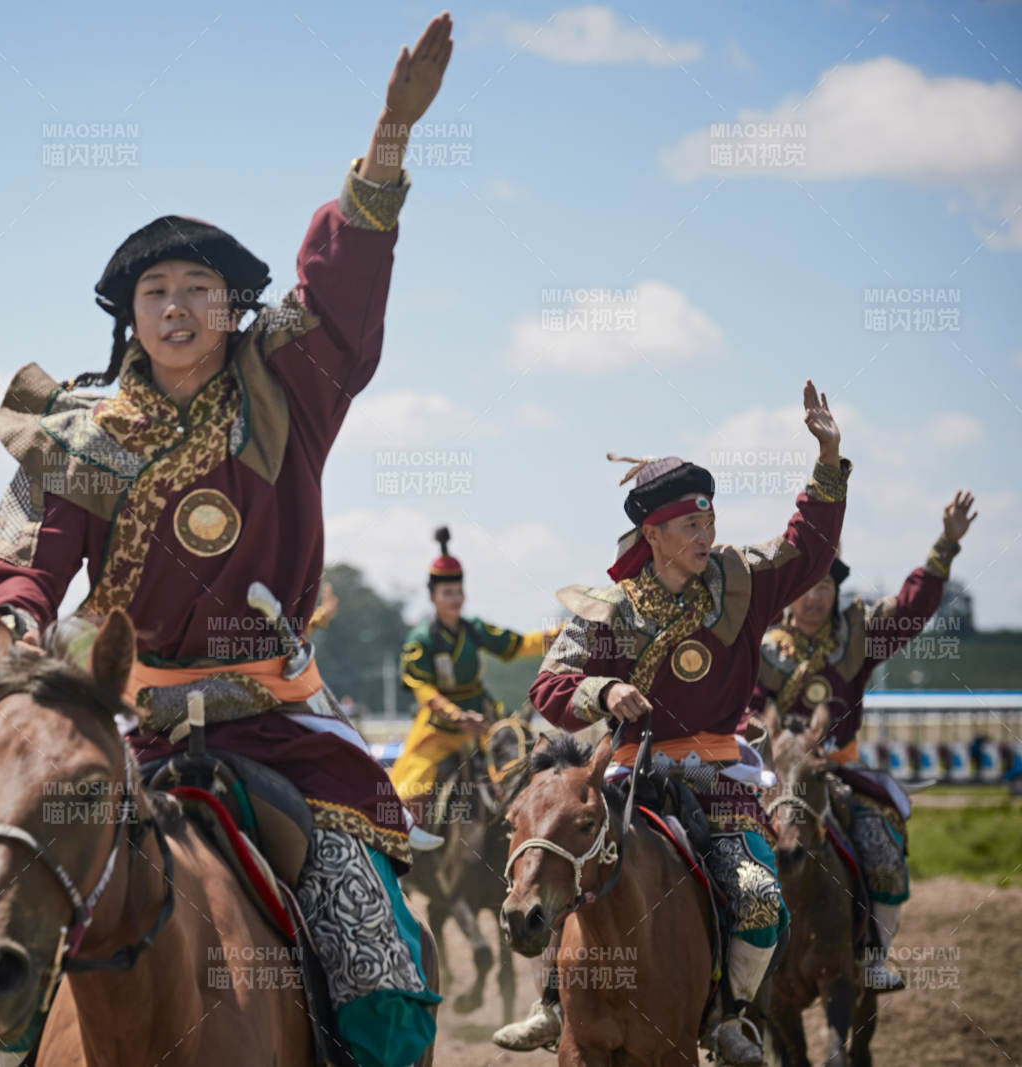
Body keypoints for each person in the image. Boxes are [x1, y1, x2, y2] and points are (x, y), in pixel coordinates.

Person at [0, 15, 455, 1065]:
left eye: (198, 290)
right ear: (129, 316)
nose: (176, 307)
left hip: (280, 732)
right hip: (132, 737)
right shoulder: (80, 433)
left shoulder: (286, 389)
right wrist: (11, 622)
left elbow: (341, 292)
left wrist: (390, 139)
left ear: (234, 309)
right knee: (12, 942)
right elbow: (23, 561)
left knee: (376, 964)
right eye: (155, 291)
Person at [494, 381, 848, 1066]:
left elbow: (808, 546)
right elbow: (548, 685)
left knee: (758, 894)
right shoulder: (610, 608)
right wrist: (604, 689)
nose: (705, 536)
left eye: (708, 523)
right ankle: (553, 1001)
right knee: (560, 861)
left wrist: (828, 461)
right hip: (629, 778)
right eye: (690, 526)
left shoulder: (743, 581)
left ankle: (730, 1015)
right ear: (652, 534)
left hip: (719, 778)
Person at [750, 490, 976, 990]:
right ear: (790, 592)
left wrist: (945, 545)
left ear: (836, 592)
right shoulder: (759, 645)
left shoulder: (857, 636)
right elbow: (745, 710)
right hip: (771, 780)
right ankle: (727, 972)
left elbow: (911, 609)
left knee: (883, 850)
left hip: (840, 771)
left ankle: (873, 955)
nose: (815, 597)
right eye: (806, 587)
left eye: (825, 587)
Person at [390, 525, 559, 828]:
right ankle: (409, 843)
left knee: (521, 761)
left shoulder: (475, 629)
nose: (455, 598)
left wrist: (560, 635)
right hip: (439, 727)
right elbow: (423, 689)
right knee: (409, 787)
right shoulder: (421, 639)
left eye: (458, 592)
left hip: (484, 718)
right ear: (432, 596)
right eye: (447, 593)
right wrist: (456, 715)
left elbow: (519, 644)